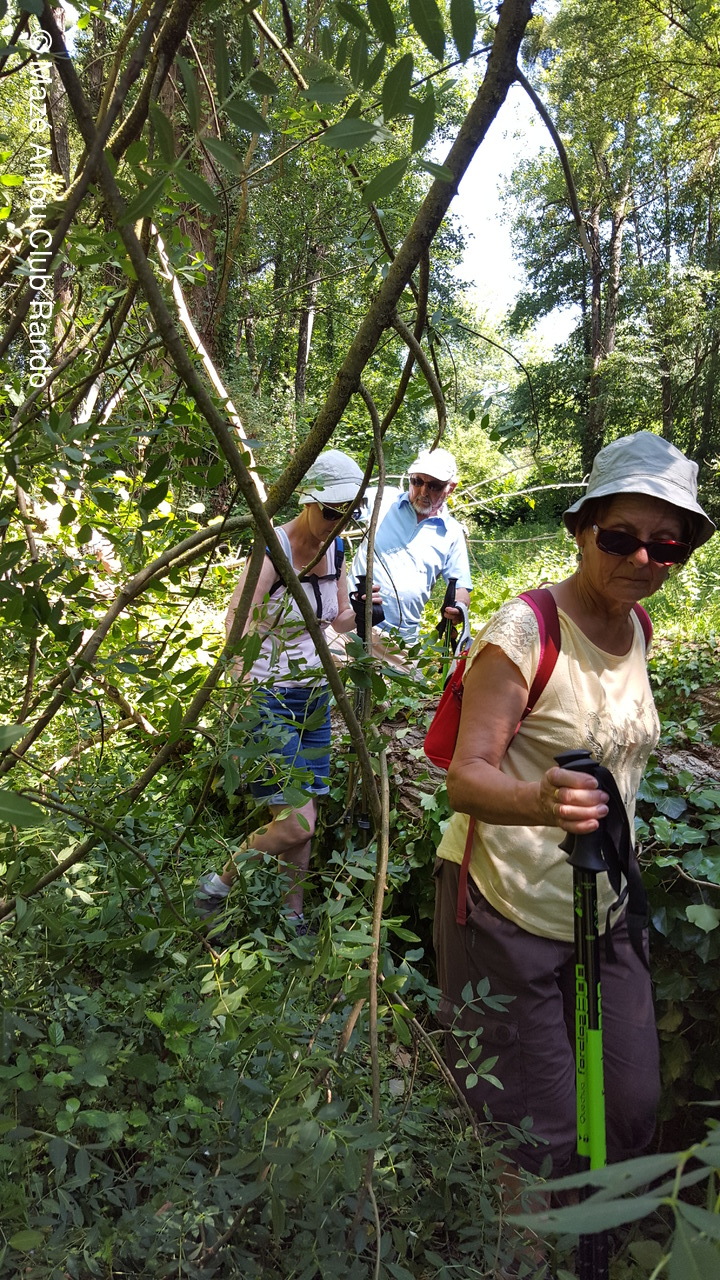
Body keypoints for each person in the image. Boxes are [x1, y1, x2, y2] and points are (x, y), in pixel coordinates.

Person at [433, 432, 715, 1181]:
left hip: (603, 905)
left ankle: (597, 1227)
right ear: (583, 530)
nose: (643, 559)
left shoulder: (637, 627)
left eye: (667, 545)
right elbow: (465, 778)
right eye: (620, 538)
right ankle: (527, 1237)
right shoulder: (525, 631)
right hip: (504, 907)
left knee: (628, 1102)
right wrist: (539, 799)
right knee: (532, 1134)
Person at [195, 449, 378, 932]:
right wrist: (240, 696)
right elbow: (237, 623)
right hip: (266, 695)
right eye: (332, 512)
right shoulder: (272, 548)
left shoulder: (336, 551)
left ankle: (291, 920)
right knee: (298, 821)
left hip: (313, 697)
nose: (339, 523)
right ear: (309, 501)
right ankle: (218, 884)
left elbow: (334, 621)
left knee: (304, 815)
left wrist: (360, 610)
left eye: (350, 514)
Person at [349, 446, 472, 647]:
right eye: (417, 481)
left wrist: (459, 609)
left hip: (400, 640)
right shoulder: (383, 499)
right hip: (352, 624)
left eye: (434, 486)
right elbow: (340, 507)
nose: (423, 491)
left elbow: (461, 588)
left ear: (450, 487)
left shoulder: (452, 533)